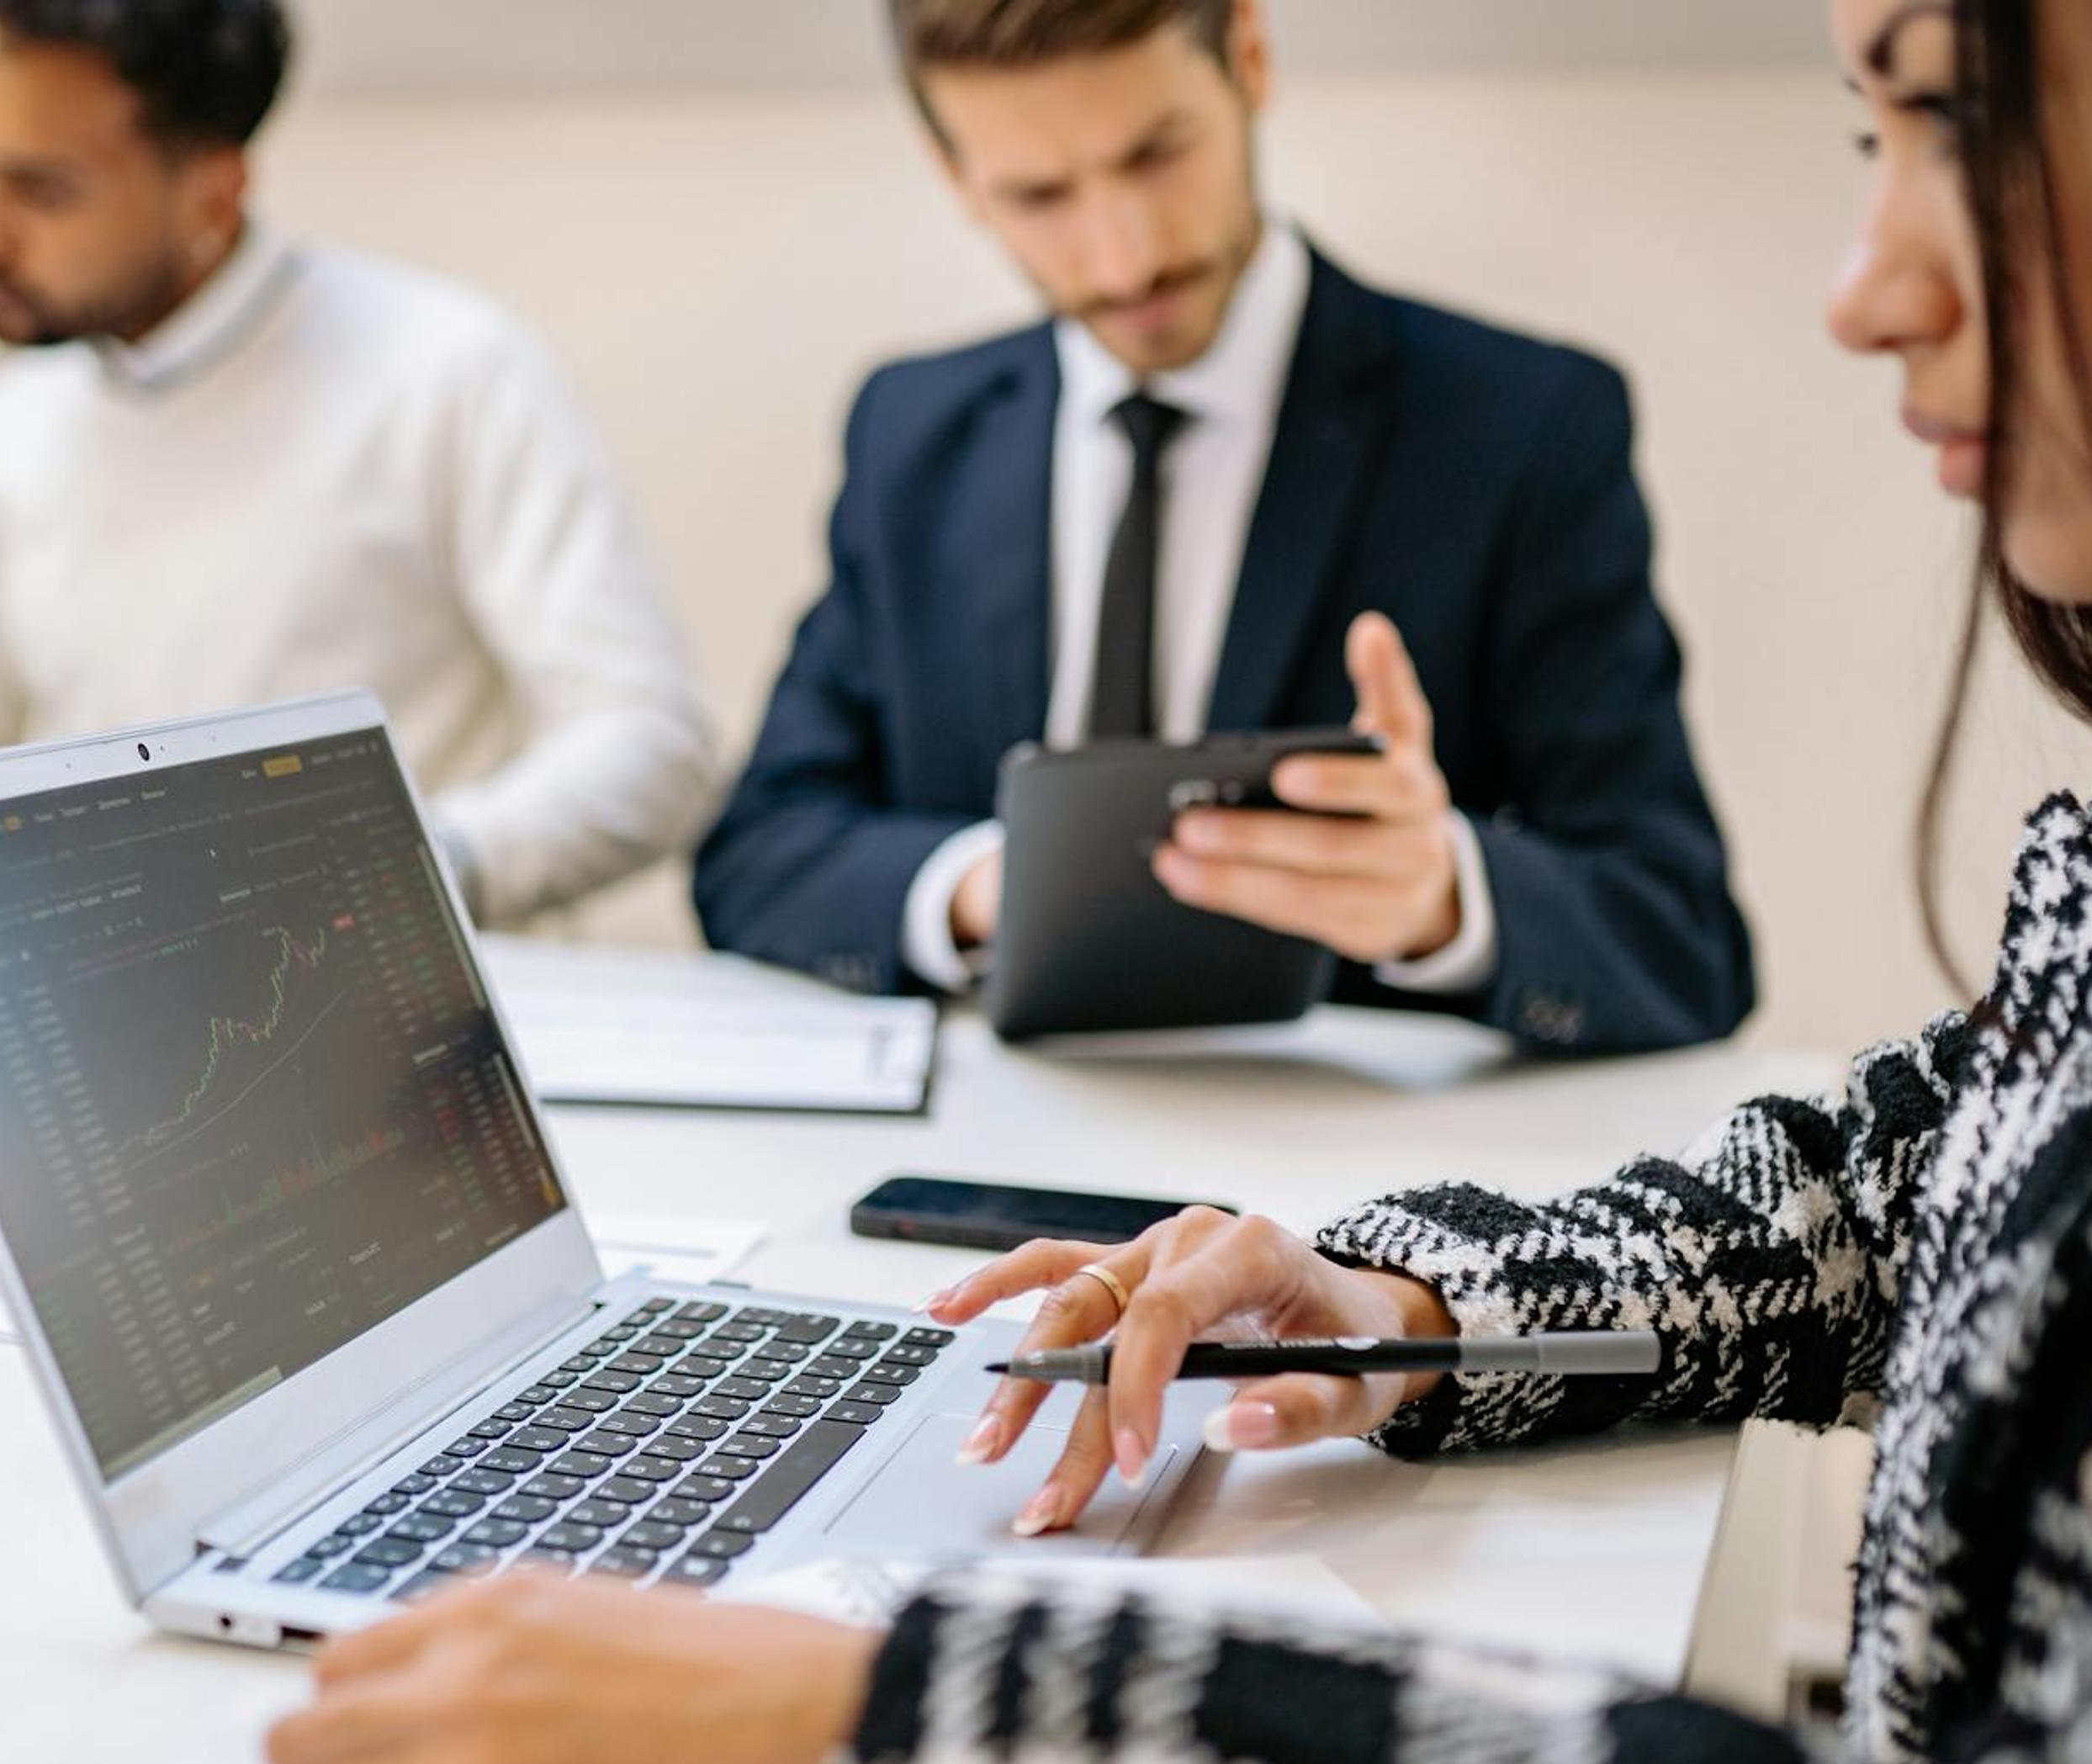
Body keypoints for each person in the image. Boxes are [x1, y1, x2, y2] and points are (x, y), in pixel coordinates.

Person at [267, 0, 2092, 1764]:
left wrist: (895, 1742)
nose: (1861, 289)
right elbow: (1905, 1174)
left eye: (1964, 127)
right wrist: (1399, 1296)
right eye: (1873, 138)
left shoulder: (1517, 426)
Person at [692, 0, 1755, 1055]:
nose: (1124, 259)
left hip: (1348, 1150)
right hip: (994, 1126)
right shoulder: (911, 437)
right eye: (1038, 194)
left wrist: (1445, 898)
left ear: (1249, 55)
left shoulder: (1520, 428)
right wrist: (984, 889)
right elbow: (757, 855)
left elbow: (1685, 940)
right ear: (953, 174)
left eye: (1157, 155)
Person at [0, 0, 720, 927]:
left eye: (42, 190)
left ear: (214, 191)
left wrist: (415, 871)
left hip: (387, 990)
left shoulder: (450, 374)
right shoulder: (3, 431)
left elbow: (652, 742)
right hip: (114, 990)